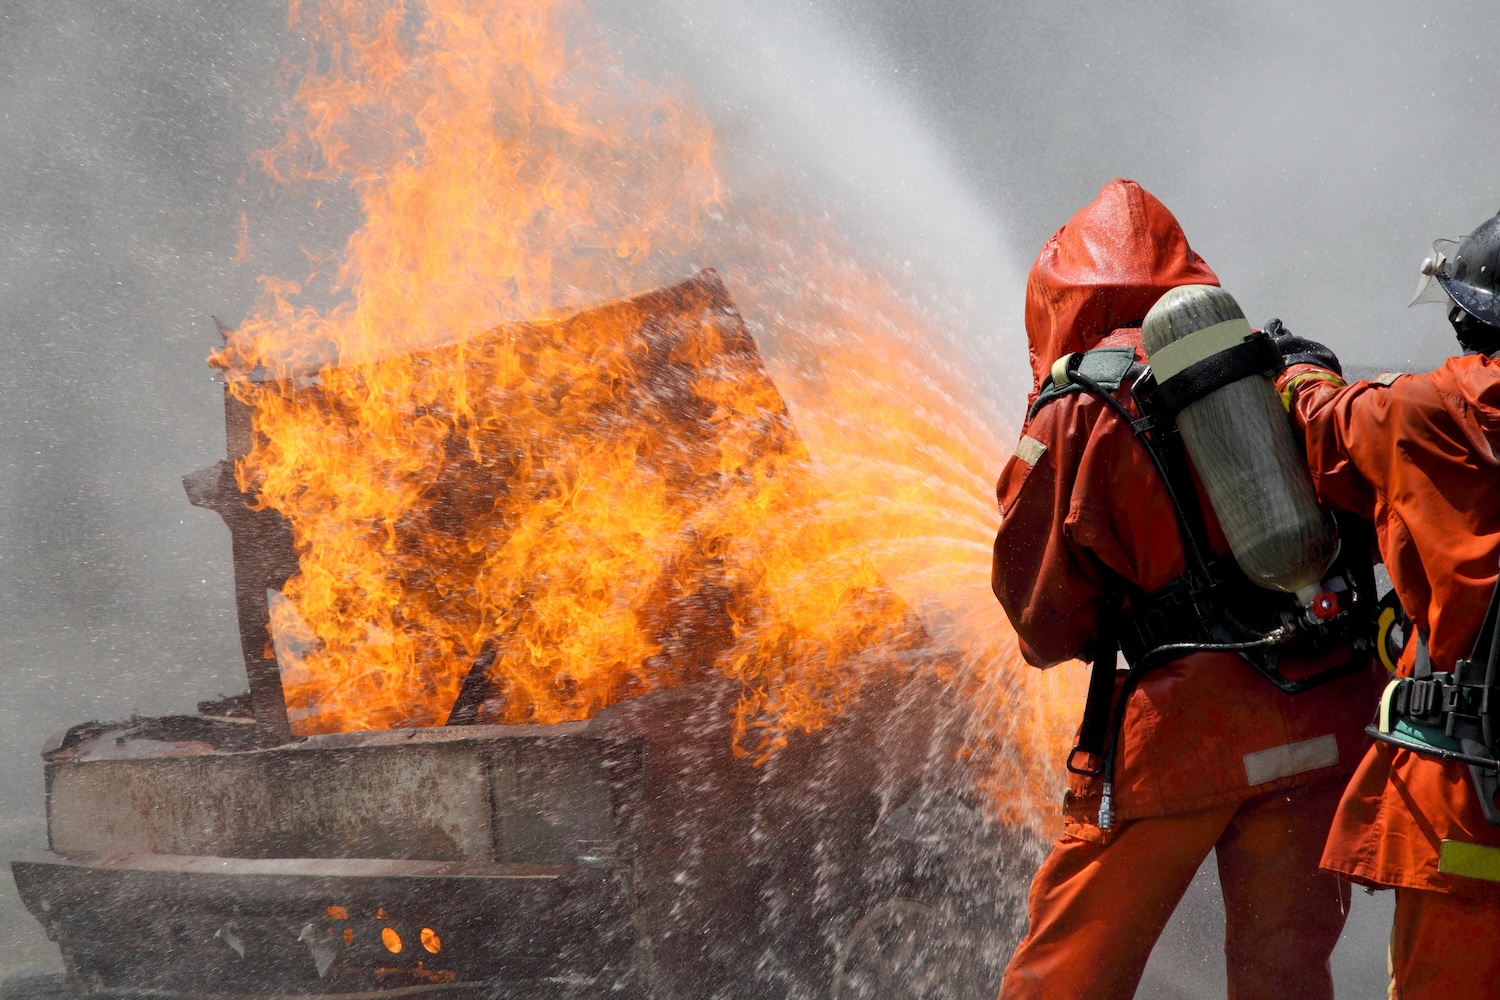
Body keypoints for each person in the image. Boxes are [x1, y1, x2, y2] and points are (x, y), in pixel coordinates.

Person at [991, 178, 1386, 1000]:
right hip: (1324, 718)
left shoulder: (1076, 407)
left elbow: (1043, 621)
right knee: (1284, 975)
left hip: (1186, 741)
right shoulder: (1276, 364)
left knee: (1066, 969)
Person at [1275, 210, 1500, 998]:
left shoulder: (1418, 411)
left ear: (1464, 315)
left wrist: (1298, 369)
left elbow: (1324, 424)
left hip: (1468, 805)